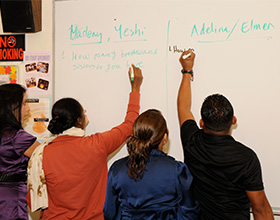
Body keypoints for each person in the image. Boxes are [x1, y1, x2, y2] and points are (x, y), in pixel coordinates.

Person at [27, 65, 143, 220]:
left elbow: (32, 200)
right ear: (78, 121)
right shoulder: (98, 144)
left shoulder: (41, 154)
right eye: (83, 111)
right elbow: (130, 124)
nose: (86, 111)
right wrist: (135, 89)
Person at [177, 50, 274, 220]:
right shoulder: (246, 158)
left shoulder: (192, 141)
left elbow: (183, 108)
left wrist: (187, 71)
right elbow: (261, 210)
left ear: (201, 123)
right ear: (233, 120)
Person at [103, 109, 200, 220]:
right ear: (164, 137)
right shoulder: (177, 170)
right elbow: (189, 214)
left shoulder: (117, 170)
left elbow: (110, 213)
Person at [0, 83, 40, 220]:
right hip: (11, 201)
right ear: (11, 107)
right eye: (24, 104)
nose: (28, 109)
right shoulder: (18, 137)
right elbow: (49, 156)